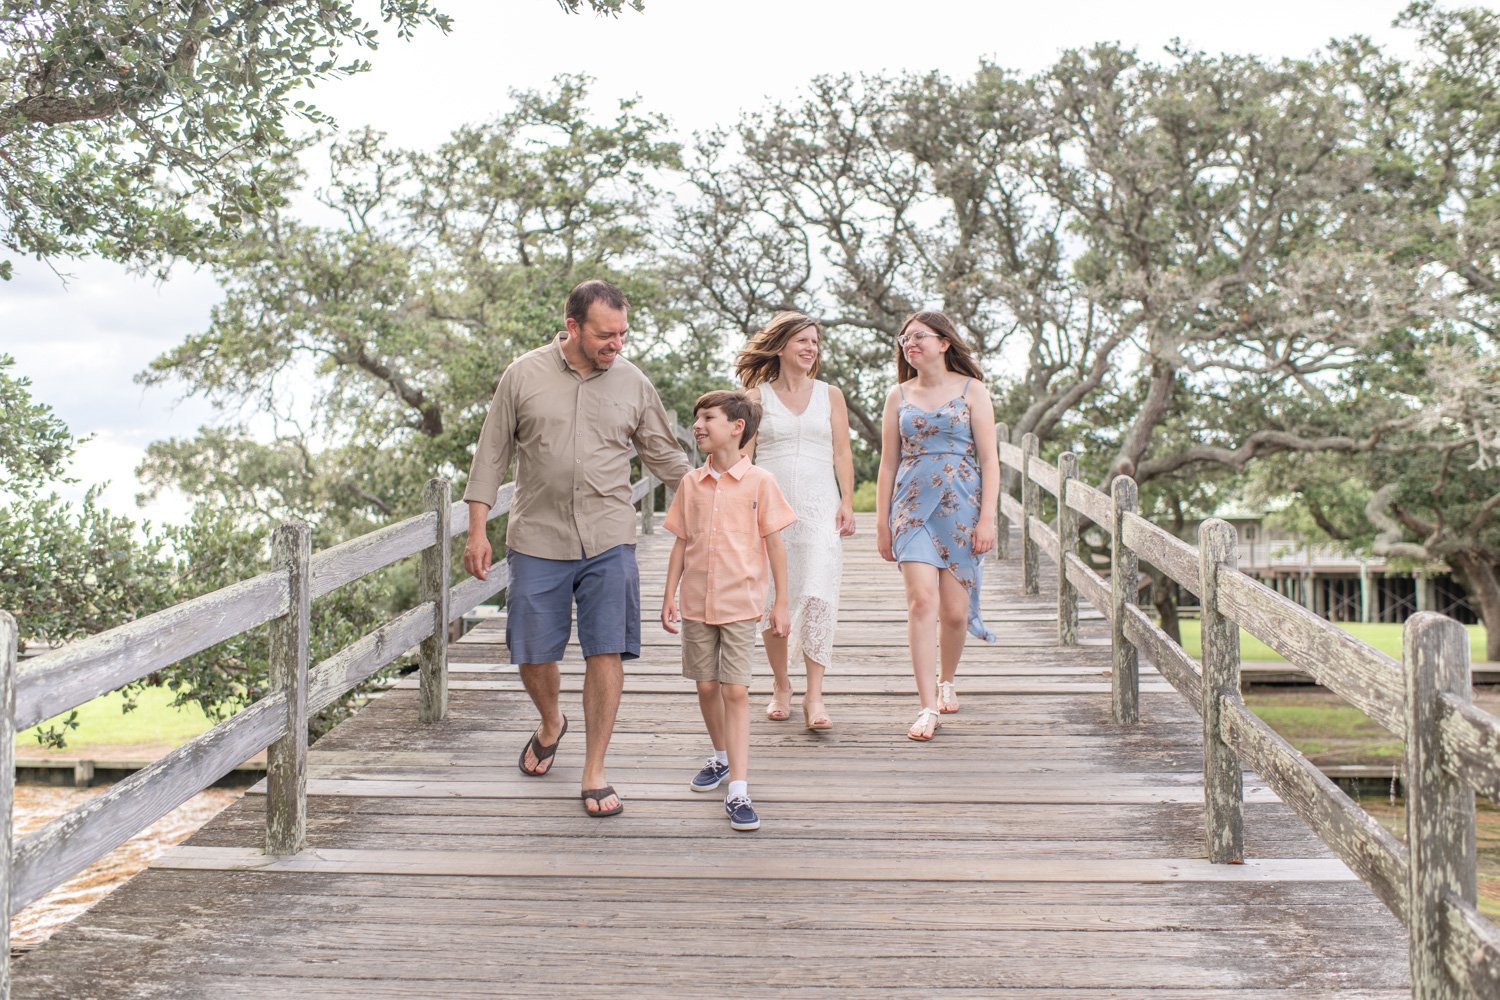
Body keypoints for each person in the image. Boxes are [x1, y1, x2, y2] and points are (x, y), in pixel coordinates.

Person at [463, 279, 693, 818]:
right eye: (605, 335)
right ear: (572, 328)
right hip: (538, 537)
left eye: (622, 334)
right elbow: (490, 456)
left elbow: (665, 456)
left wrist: (723, 498)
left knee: (605, 648)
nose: (616, 344)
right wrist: (477, 530)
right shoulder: (522, 375)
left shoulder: (633, 383)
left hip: (610, 535)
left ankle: (595, 767)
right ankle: (551, 721)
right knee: (533, 651)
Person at [661, 390, 796, 832]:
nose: (699, 426)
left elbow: (775, 545)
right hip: (697, 601)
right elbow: (681, 542)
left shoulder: (761, 482)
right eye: (697, 418)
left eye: (708, 418)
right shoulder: (690, 484)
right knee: (705, 687)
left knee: (735, 691)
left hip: (741, 603)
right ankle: (720, 757)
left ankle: (739, 788)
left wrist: (781, 602)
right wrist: (669, 596)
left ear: (737, 428)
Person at [875, 310, 1000, 742]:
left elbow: (990, 460)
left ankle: (948, 678)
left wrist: (988, 518)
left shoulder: (973, 391)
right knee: (921, 604)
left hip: (962, 508)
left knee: (953, 612)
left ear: (944, 342)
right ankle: (927, 705)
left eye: (919, 337)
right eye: (904, 338)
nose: (909, 344)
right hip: (910, 508)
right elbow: (888, 463)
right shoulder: (898, 395)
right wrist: (881, 523)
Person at [735, 312, 855, 730]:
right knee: (774, 601)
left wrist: (847, 502)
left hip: (822, 507)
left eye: (815, 343)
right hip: (773, 508)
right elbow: (744, 455)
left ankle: (815, 696)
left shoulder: (831, 394)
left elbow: (842, 451)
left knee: (819, 595)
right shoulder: (755, 397)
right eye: (802, 341)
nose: (810, 349)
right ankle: (781, 684)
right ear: (782, 346)